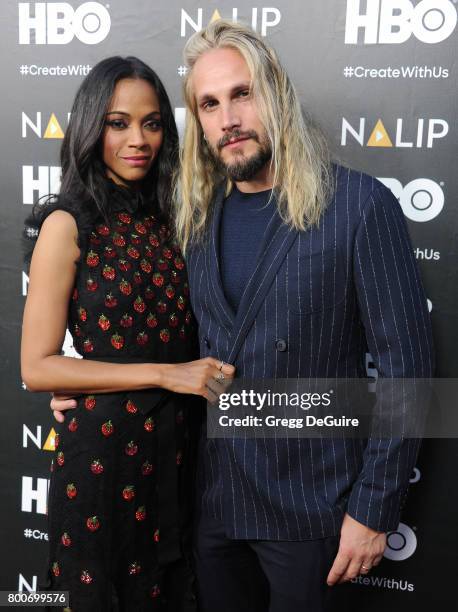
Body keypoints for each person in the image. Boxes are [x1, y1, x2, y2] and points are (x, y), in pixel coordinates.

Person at [51, 21, 434, 612]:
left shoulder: (358, 205)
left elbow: (408, 367)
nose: (227, 117)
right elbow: (160, 336)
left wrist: (375, 508)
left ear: (277, 93)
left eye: (242, 93)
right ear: (198, 122)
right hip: (213, 508)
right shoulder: (194, 223)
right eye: (208, 103)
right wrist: (81, 383)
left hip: (315, 513)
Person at [21, 55, 234, 612]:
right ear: (93, 126)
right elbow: (37, 366)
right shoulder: (66, 224)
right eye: (118, 123)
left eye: (152, 122)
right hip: (102, 463)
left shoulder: (178, 218)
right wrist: (166, 374)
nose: (137, 139)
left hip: (181, 454)